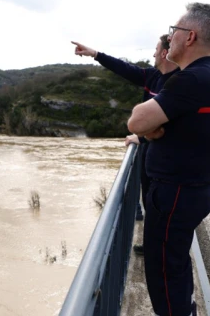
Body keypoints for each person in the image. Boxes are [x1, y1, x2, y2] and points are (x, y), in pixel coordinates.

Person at [126, 2, 210, 316]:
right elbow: (152, 127)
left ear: (191, 36)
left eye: (174, 29)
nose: (169, 36)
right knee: (176, 264)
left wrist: (147, 129)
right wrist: (151, 131)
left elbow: (137, 119)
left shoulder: (192, 79)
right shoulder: (206, 77)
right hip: (188, 191)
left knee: (165, 269)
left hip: (177, 192)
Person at [72, 36, 178, 255]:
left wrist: (141, 136)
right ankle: (153, 245)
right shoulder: (153, 76)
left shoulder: (177, 82)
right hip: (149, 152)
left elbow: (169, 126)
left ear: (165, 53)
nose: (153, 54)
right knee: (150, 200)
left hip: (165, 159)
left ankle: (162, 250)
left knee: (160, 206)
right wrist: (96, 55)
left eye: (156, 50)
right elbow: (125, 69)